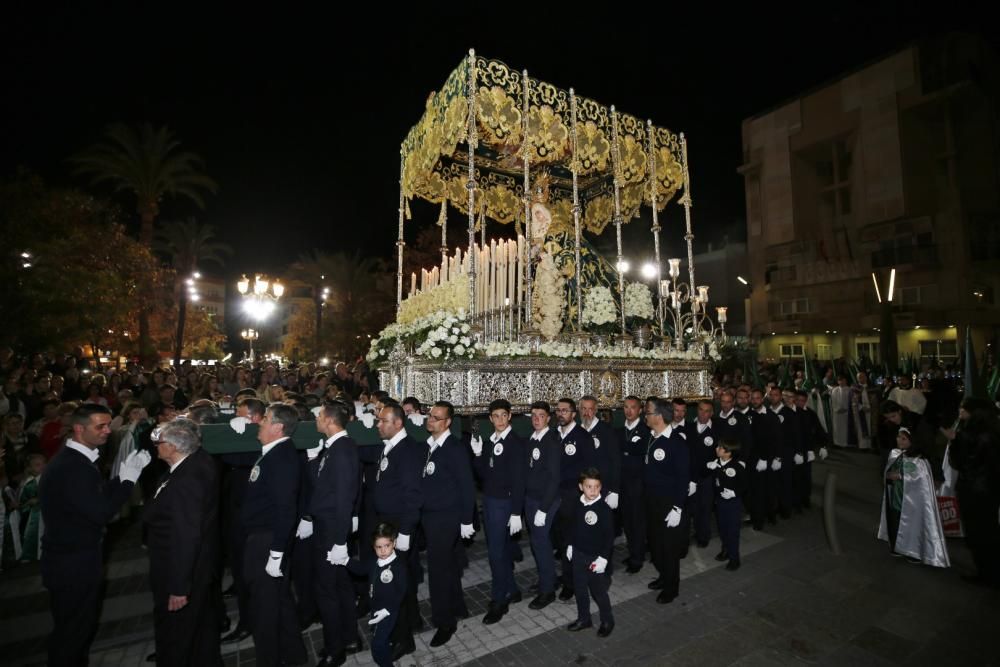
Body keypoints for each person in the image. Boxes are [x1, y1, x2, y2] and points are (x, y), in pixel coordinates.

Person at [40, 404, 151, 665]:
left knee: (75, 629)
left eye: (107, 424)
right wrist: (127, 481)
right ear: (79, 429)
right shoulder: (73, 467)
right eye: (99, 426)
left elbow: (91, 496)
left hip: (70, 559)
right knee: (73, 632)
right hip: (72, 563)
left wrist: (119, 478)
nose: (106, 431)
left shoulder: (77, 460)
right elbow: (100, 512)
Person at [144, 418, 221, 666]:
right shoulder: (195, 461)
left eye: (161, 441)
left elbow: (185, 535)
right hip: (196, 564)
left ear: (175, 447)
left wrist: (179, 586)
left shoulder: (186, 481)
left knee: (177, 633)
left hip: (181, 568)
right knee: (199, 628)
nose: (156, 444)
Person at [240, 403, 307, 667]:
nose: (260, 423)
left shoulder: (281, 457)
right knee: (279, 601)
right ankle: (294, 655)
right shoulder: (274, 453)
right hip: (266, 538)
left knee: (264, 609)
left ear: (278, 427)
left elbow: (285, 508)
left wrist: (276, 552)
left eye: (265, 419)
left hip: (267, 541)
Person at [366, 401, 425, 660]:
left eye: (383, 421)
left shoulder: (407, 450)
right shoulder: (390, 446)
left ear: (398, 423)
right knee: (404, 579)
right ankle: (412, 620)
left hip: (400, 524)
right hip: (390, 522)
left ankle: (403, 639)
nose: (378, 424)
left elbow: (414, 495)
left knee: (392, 584)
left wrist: (405, 532)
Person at [306, 399, 362, 666]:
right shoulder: (336, 447)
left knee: (326, 590)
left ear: (329, 420)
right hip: (331, 527)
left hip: (331, 531)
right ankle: (350, 637)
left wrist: (339, 541)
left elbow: (344, 498)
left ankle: (335, 649)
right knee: (340, 586)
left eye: (319, 416)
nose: (316, 419)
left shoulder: (341, 450)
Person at [420, 400, 474, 646]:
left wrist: (466, 520)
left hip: (446, 518)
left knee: (439, 572)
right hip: (433, 517)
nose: (431, 420)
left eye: (437, 418)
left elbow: (466, 486)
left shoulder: (453, 447)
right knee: (450, 566)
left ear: (448, 422)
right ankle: (457, 606)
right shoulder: (430, 445)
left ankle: (445, 622)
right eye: (430, 416)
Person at [471, 398, 526, 624]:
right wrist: (477, 454)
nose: (500, 419)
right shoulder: (491, 441)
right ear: (491, 418)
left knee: (496, 553)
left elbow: (519, 481)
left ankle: (498, 600)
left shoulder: (515, 442)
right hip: (491, 502)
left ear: (510, 416)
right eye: (496, 416)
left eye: (504, 415)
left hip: (505, 503)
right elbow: (484, 474)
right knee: (500, 550)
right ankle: (511, 590)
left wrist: (515, 512)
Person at [878, 428, 951, 567]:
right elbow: (885, 471)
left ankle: (914, 551)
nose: (899, 440)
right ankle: (896, 546)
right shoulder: (895, 454)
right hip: (896, 497)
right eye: (898, 437)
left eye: (903, 438)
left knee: (913, 524)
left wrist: (900, 476)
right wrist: (887, 476)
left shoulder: (920, 461)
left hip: (913, 502)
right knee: (895, 520)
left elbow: (921, 480)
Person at [948, 399, 1000, 586]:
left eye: (964, 408)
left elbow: (961, 463)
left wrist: (954, 441)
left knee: (980, 533)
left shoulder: (972, 435)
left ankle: (988, 574)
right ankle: (989, 572)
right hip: (988, 490)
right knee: (987, 531)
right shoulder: (991, 431)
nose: (960, 410)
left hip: (975, 490)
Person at [642, 398, 690, 604]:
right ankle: (663, 577)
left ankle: (672, 587)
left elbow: (683, 478)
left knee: (669, 548)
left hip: (669, 505)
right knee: (657, 545)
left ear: (659, 416)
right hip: (652, 503)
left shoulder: (677, 442)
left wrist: (677, 508)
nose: (646, 416)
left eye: (648, 412)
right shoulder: (652, 437)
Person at [553, 398, 595, 601]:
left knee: (572, 541)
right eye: (558, 410)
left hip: (573, 497)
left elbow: (589, 469)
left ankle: (572, 584)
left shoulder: (582, 437)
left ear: (573, 414)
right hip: (554, 496)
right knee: (561, 541)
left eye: (565, 410)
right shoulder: (553, 435)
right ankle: (566, 575)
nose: (560, 413)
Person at [565, 467, 615, 638]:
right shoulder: (577, 503)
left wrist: (603, 558)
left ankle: (607, 620)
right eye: (588, 486)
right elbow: (573, 526)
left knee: (598, 592)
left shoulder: (604, 509)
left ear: (601, 487)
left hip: (595, 557)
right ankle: (584, 618)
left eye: (596, 486)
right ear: (581, 487)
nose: (593, 491)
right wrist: (571, 545)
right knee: (579, 589)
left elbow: (609, 537)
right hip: (579, 554)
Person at [349, 522, 407, 667]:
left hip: (389, 611)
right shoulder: (374, 562)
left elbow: (401, 591)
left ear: (393, 543)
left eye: (386, 546)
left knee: (378, 644)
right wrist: (345, 560)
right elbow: (361, 569)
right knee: (382, 638)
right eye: (378, 547)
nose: (383, 551)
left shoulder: (398, 566)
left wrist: (387, 610)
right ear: (373, 547)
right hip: (376, 607)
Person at [524, 401, 561, 609]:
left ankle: (548, 591)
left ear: (548, 418)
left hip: (544, 501)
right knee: (538, 542)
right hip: (532, 499)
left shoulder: (551, 441)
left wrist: (544, 509)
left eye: (541, 415)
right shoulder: (533, 439)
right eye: (533, 415)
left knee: (541, 543)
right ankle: (548, 578)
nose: (537, 418)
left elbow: (554, 479)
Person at [617, 395, 651, 574]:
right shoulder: (618, 430)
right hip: (622, 484)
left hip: (638, 485)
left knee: (637, 523)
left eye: (633, 407)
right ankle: (633, 552)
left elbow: (641, 452)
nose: (629, 411)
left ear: (640, 410)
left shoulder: (646, 430)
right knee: (627, 523)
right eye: (626, 407)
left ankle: (638, 559)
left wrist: (626, 449)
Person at [708, 438, 748, 570]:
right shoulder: (716, 464)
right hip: (720, 502)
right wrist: (710, 468)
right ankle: (725, 549)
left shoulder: (737, 467)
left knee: (732, 531)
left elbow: (745, 485)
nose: (716, 449)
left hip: (732, 503)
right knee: (723, 529)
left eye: (720, 448)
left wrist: (734, 493)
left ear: (728, 453)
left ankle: (734, 558)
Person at [15, 453, 44, 562]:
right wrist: (29, 503)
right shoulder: (28, 482)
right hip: (33, 514)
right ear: (30, 468)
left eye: (43, 463)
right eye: (37, 465)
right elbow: (22, 501)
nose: (42, 467)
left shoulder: (48, 478)